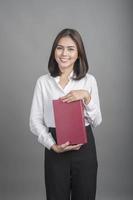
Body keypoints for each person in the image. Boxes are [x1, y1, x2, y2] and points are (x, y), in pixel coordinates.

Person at [29, 28, 102, 200]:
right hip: (55, 147)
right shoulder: (43, 82)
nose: (64, 53)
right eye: (59, 48)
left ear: (79, 54)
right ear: (54, 51)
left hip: (84, 148)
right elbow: (35, 121)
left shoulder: (89, 81)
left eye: (71, 49)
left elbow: (97, 121)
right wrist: (52, 144)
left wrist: (86, 96)